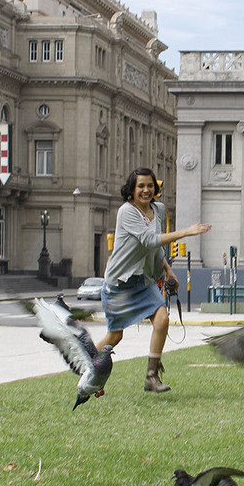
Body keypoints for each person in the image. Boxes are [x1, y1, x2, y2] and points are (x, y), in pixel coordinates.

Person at [97, 167, 211, 393]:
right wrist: (186, 232)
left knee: (162, 320)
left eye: (150, 186)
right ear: (132, 189)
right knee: (115, 335)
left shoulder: (157, 209)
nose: (146, 190)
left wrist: (167, 270)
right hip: (119, 284)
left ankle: (152, 376)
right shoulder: (126, 212)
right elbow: (150, 240)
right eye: (141, 186)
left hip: (144, 280)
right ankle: (89, 369)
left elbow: (155, 248)